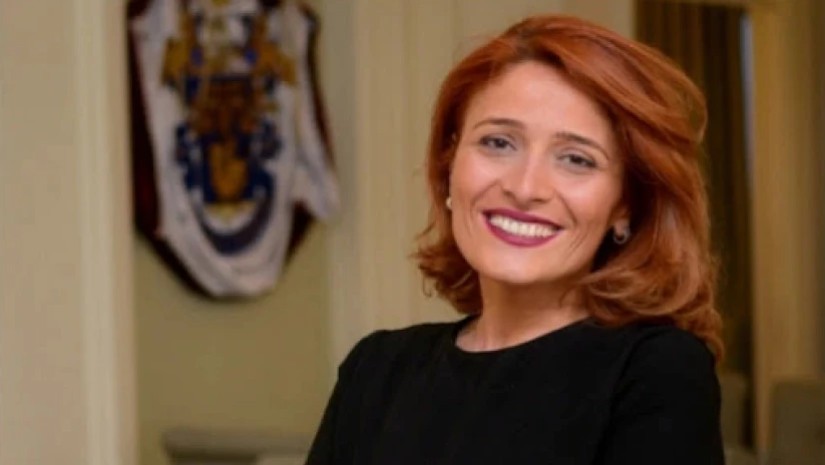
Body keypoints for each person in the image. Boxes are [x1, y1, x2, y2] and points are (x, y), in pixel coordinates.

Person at [306, 14, 724, 465]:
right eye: (499, 143)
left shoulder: (657, 371)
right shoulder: (375, 370)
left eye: (576, 159)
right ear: (449, 165)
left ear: (626, 206)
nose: (525, 188)